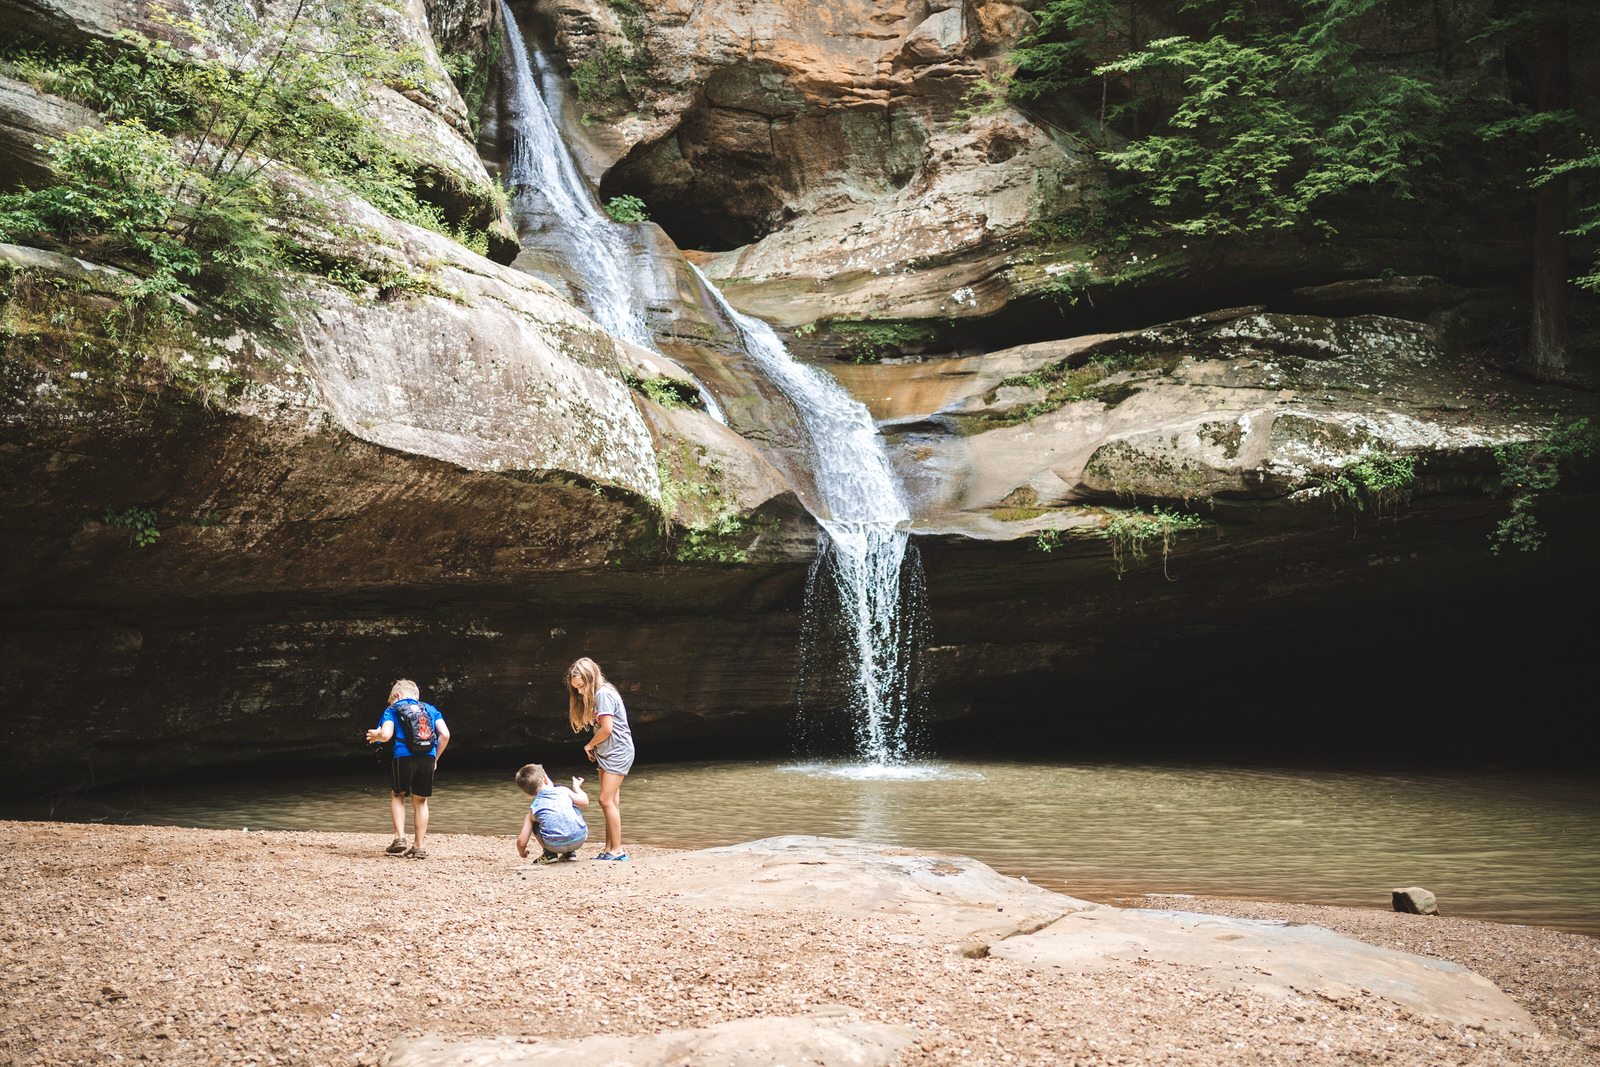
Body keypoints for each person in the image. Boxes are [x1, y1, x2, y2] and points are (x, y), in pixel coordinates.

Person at [364, 679, 449, 859]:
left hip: (403, 756)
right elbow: (445, 735)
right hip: (427, 756)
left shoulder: (393, 709)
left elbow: (386, 735)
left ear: (397, 695)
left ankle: (400, 838)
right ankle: (419, 846)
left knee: (398, 794)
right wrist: (435, 758)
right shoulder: (430, 709)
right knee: (421, 801)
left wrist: (376, 735)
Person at [567, 657, 634, 861]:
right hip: (606, 752)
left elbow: (607, 729)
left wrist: (590, 745)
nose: (579, 692)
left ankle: (618, 851)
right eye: (576, 688)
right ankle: (609, 848)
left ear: (590, 678)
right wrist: (596, 748)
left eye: (581, 686)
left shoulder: (603, 693)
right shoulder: (600, 692)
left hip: (618, 751)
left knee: (605, 800)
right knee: (611, 801)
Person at [514, 763, 589, 862]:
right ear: (545, 779)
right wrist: (576, 787)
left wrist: (522, 853)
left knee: (535, 822)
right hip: (579, 839)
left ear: (530, 795)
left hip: (554, 846)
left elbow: (521, 842)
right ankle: (570, 853)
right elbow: (585, 801)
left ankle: (550, 854)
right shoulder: (563, 791)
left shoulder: (534, 808)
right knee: (570, 808)